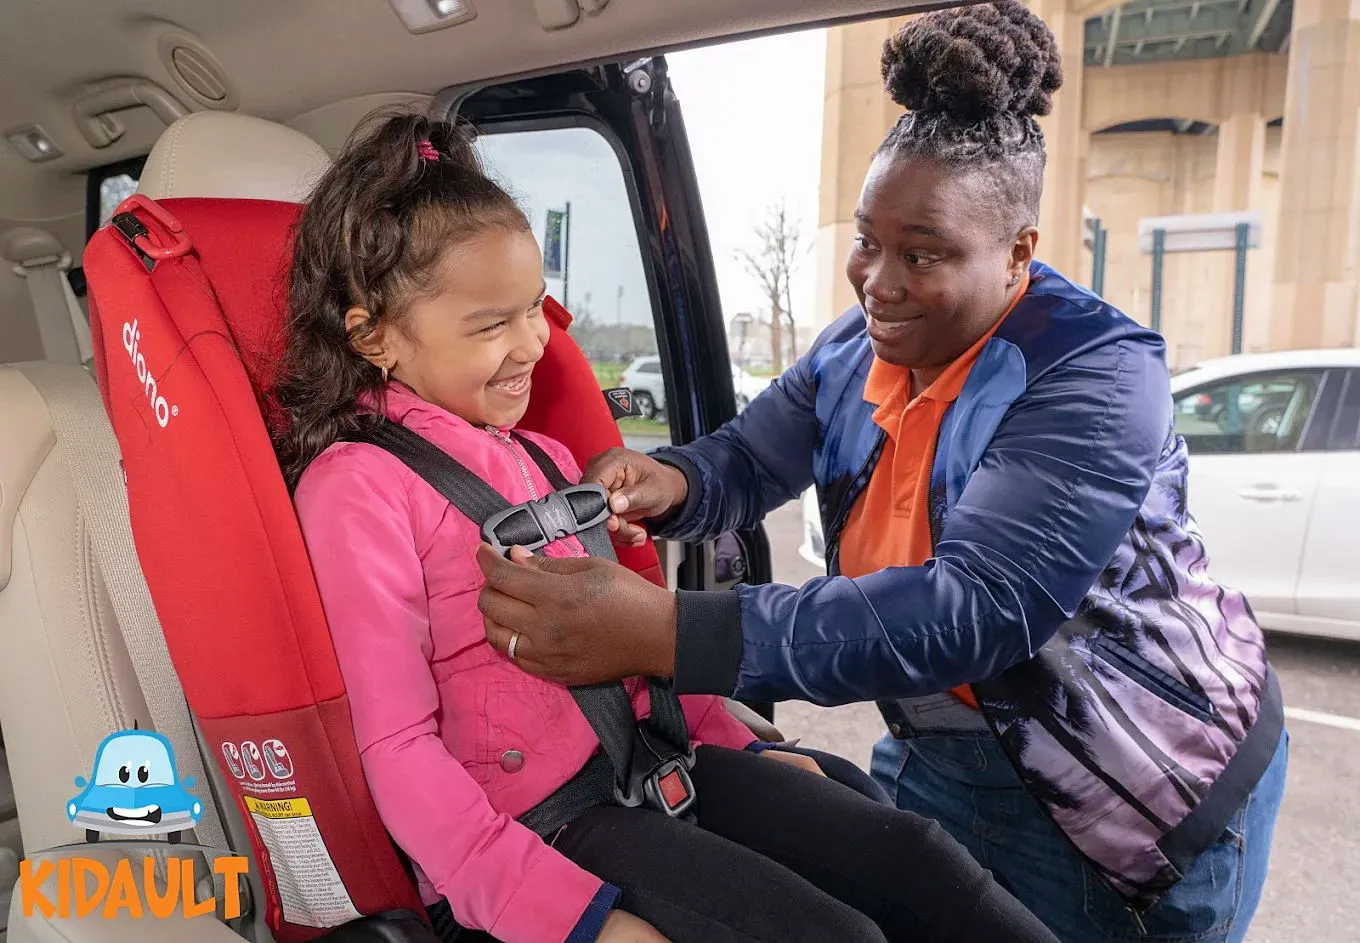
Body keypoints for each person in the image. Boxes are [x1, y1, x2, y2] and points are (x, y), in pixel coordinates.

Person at [474, 5, 1288, 942]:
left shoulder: (1096, 375)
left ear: (1018, 252)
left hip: (1136, 788)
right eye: (869, 239)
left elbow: (974, 608)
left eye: (923, 253)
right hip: (947, 747)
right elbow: (746, 456)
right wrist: (675, 481)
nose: (877, 280)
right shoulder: (856, 348)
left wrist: (667, 631)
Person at [273, 111, 1059, 943]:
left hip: (655, 760)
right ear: (375, 337)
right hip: (539, 831)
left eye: (535, 308)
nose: (534, 343)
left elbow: (634, 651)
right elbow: (395, 748)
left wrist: (737, 744)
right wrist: (565, 917)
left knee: (916, 857)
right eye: (491, 325)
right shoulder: (357, 488)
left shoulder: (540, 456)